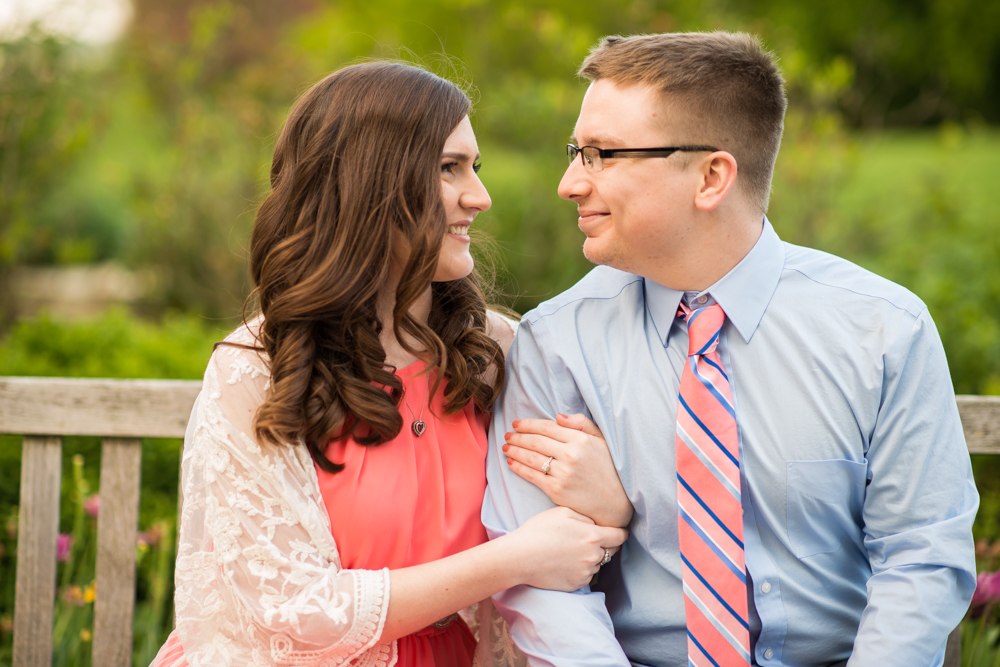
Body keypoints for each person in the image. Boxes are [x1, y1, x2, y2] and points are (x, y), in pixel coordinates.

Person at [484, 32, 978, 667]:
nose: (569, 183)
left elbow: (920, 554)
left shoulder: (883, 330)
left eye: (602, 154)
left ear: (712, 176)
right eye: (577, 151)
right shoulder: (556, 343)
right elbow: (544, 584)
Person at [150, 61, 630, 667]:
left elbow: (573, 536)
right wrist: (511, 559)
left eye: (474, 168)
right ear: (368, 182)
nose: (479, 197)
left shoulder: (497, 353)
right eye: (448, 168)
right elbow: (296, 609)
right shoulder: (257, 371)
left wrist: (613, 504)